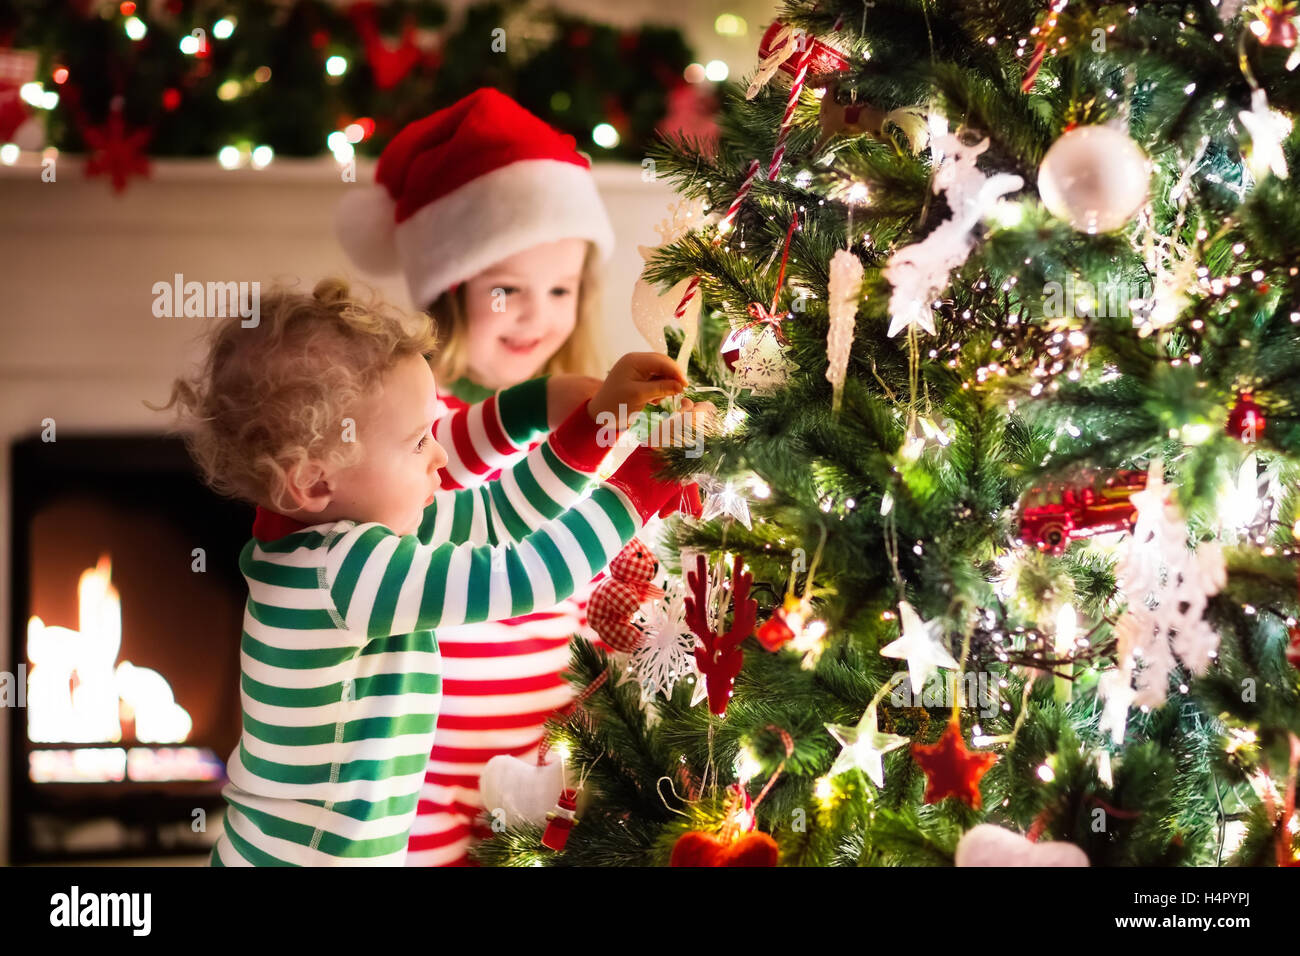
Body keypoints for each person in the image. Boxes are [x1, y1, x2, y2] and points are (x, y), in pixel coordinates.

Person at [151, 277, 709, 864]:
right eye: (419, 441)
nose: (441, 456)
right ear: (314, 481)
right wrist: (644, 481)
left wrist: (599, 422)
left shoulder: (335, 536)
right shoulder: (342, 575)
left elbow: (497, 515)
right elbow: (523, 575)